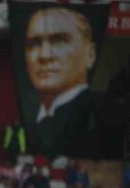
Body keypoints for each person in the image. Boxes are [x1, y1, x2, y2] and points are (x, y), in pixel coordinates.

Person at [23, 6, 99, 157]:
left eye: (59, 41)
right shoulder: (27, 117)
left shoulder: (98, 119)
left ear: (90, 55)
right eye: (34, 43)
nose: (44, 55)